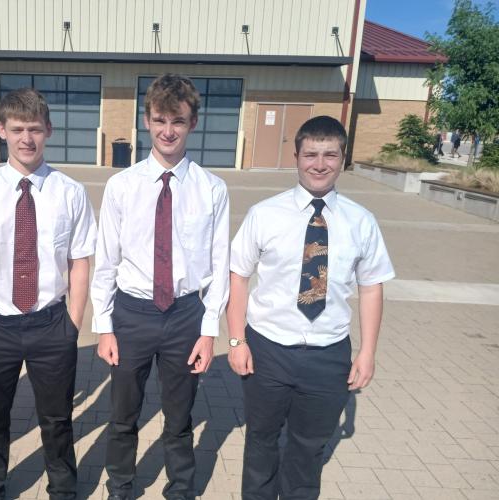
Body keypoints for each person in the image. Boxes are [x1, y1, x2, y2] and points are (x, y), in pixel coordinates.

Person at [227, 115, 395, 500]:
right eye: (311, 155)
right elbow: (238, 276)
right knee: (261, 440)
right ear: (296, 158)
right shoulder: (264, 214)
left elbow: (371, 287)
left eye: (330, 155)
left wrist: (367, 352)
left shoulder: (361, 222)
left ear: (343, 159)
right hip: (268, 349)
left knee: (308, 447)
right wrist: (237, 341)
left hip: (328, 354)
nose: (320, 164)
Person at [0, 87, 96, 500]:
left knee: (57, 418)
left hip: (51, 324)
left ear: (48, 130)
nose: (26, 138)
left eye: (34, 129)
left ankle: (63, 489)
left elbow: (80, 262)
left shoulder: (70, 192)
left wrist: (72, 324)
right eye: (17, 129)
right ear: (2, 130)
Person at [91, 74, 230, 500]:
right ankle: (120, 487)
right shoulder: (122, 186)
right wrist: (104, 326)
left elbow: (220, 264)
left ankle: (180, 489)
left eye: (178, 121)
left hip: (185, 315)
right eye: (159, 120)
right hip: (132, 314)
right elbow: (106, 260)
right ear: (146, 121)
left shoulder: (212, 189)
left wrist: (209, 330)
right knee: (123, 415)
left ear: (193, 123)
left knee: (179, 417)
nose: (168, 130)